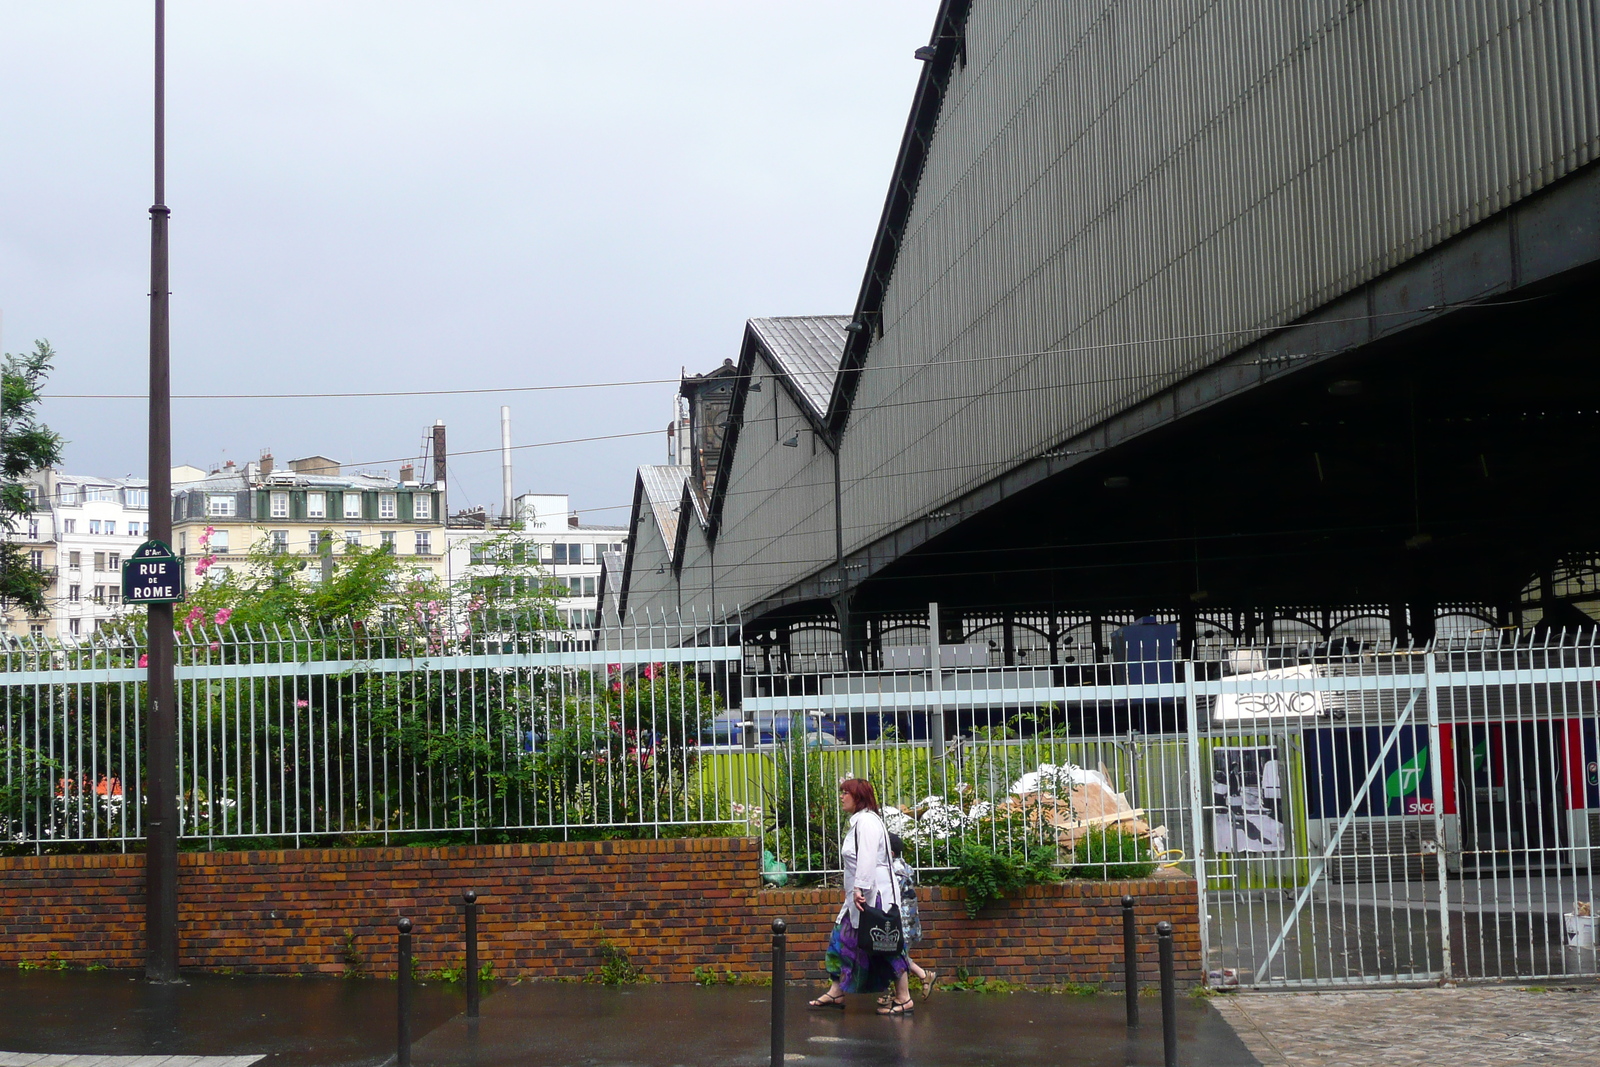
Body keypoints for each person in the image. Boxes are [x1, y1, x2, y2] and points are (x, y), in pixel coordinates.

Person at [807, 778, 914, 1015]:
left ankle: (904, 997)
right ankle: (836, 991)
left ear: (859, 797)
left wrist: (859, 889)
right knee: (842, 939)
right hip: (861, 895)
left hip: (871, 896)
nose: (842, 797)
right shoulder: (862, 821)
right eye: (842, 792)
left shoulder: (866, 822)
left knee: (885, 945)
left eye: (846, 793)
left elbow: (866, 858)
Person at [879, 833, 936, 1005]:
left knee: (895, 956)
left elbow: (888, 895)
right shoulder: (902, 867)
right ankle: (922, 976)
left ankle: (916, 981)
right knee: (896, 955)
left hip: (900, 924)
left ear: (892, 853)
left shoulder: (895, 872)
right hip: (907, 923)